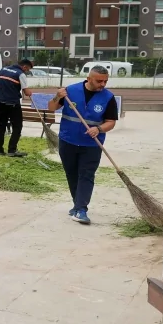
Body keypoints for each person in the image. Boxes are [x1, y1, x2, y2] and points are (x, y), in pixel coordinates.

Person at [47, 66, 117, 225]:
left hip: (91, 144)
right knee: (72, 174)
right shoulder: (71, 91)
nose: (103, 84)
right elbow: (51, 108)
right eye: (99, 81)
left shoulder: (108, 97)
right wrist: (57, 96)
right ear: (89, 78)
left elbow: (111, 122)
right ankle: (77, 205)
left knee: (86, 175)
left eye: (105, 81)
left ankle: (81, 209)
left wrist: (98, 129)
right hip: (68, 141)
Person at [0, 58, 33, 157]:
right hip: (12, 103)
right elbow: (26, 92)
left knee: (1, 126)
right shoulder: (20, 74)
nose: (27, 71)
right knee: (17, 126)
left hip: (0, 102)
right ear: (24, 66)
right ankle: (12, 150)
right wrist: (29, 92)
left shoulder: (3, 69)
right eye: (27, 69)